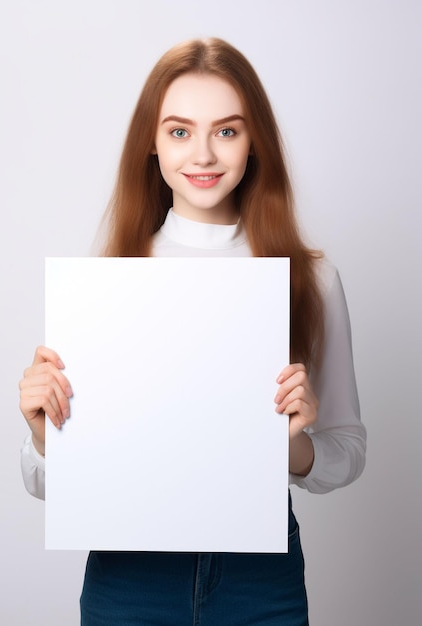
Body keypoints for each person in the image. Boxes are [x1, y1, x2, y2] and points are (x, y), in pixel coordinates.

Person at [19, 37, 366, 625]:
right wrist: (44, 434)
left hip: (259, 579)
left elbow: (347, 452)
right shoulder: (107, 284)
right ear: (151, 145)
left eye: (227, 131)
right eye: (179, 131)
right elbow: (43, 483)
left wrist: (290, 443)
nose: (203, 154)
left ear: (255, 141)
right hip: (129, 577)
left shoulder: (310, 279)